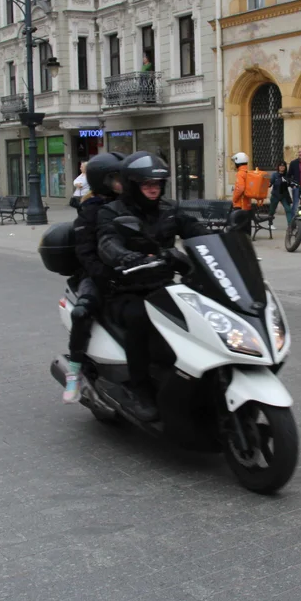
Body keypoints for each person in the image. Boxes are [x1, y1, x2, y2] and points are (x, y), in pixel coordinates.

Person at [96, 151, 209, 421]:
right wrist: (122, 255)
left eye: (157, 184)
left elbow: (195, 230)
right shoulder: (112, 212)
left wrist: (223, 239)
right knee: (140, 320)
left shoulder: (169, 210)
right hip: (126, 289)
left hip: (162, 284)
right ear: (133, 185)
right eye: (147, 184)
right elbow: (106, 241)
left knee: (199, 318)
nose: (153, 189)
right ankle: (140, 389)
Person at [63, 152, 125, 403]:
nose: (123, 182)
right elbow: (85, 252)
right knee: (83, 312)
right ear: (102, 180)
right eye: (117, 178)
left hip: (130, 272)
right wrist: (103, 275)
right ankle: (74, 371)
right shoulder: (89, 210)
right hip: (95, 273)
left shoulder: (130, 203)